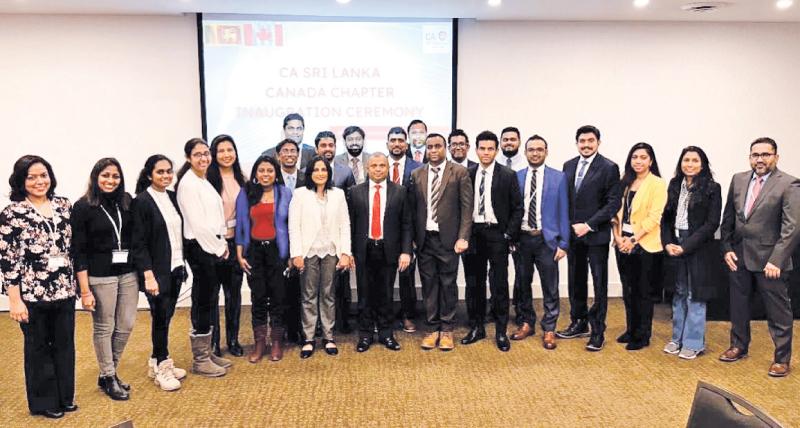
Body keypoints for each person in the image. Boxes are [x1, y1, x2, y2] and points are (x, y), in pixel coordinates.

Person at [1, 155, 77, 419]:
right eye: (31, 177)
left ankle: (65, 396)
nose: (39, 181)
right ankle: (44, 402)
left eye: (43, 175)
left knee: (65, 345)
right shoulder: (12, 213)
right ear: (21, 181)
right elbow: (8, 259)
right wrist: (14, 300)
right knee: (38, 349)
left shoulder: (64, 205)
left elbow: (73, 249)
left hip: (64, 290)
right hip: (32, 294)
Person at [720, 137, 800, 377]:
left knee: (778, 312)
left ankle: (782, 359)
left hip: (770, 261)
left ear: (776, 157)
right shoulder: (739, 179)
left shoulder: (789, 183)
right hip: (740, 256)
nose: (760, 159)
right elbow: (728, 220)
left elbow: (792, 227)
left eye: (766, 154)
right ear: (750, 157)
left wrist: (777, 259)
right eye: (755, 155)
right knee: (739, 306)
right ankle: (738, 346)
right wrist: (726, 248)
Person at [70, 158, 136, 401]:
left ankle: (109, 371)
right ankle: (109, 376)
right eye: (105, 175)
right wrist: (85, 290)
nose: (111, 180)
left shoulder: (126, 201)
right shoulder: (83, 206)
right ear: (96, 177)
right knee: (104, 327)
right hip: (99, 276)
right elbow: (78, 250)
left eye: (115, 176)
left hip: (128, 273)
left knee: (126, 324)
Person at [558, 125, 622, 352]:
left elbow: (613, 203)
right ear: (576, 143)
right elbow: (565, 199)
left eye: (590, 141)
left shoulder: (609, 167)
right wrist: (567, 228)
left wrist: (588, 225)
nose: (586, 145)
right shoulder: (568, 165)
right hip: (573, 235)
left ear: (598, 143)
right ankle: (578, 321)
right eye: (582, 141)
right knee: (575, 279)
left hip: (596, 236)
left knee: (599, 283)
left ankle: (598, 331)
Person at [410, 133, 473, 351]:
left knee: (448, 285)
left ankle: (447, 330)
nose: (434, 150)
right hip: (425, 239)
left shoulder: (459, 172)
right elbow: (412, 210)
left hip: (449, 240)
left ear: (445, 147)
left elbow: (467, 208)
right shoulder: (416, 174)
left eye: (438, 146)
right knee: (429, 285)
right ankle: (431, 328)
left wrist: (463, 237)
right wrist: (412, 240)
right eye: (430, 147)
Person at [130, 155, 187, 391]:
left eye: (168, 171)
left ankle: (156, 360)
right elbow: (139, 243)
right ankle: (163, 366)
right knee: (160, 318)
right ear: (149, 175)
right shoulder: (142, 201)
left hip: (175, 268)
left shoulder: (172, 197)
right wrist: (148, 275)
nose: (166, 176)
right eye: (160, 172)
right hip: (156, 273)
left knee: (167, 316)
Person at [461, 131, 522, 352]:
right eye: (482, 148)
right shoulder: (467, 174)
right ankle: (477, 327)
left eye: (490, 149)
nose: (485, 153)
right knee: (473, 283)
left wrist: (508, 234)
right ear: (475, 150)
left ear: (496, 150)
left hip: (497, 234)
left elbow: (517, 208)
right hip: (473, 234)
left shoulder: (508, 175)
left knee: (499, 284)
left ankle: (500, 332)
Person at [176, 138, 231, 376]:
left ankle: (207, 353)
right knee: (202, 300)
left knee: (209, 298)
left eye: (206, 154)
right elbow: (198, 226)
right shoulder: (188, 184)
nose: (203, 158)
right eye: (197, 154)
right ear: (189, 157)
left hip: (212, 246)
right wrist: (219, 248)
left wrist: (221, 244)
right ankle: (200, 360)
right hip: (200, 247)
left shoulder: (202, 180)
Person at [660, 146, 722, 360]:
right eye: (686, 160)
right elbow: (666, 217)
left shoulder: (713, 188)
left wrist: (686, 247)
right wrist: (667, 242)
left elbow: (712, 223)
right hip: (674, 242)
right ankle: (677, 338)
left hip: (697, 246)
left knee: (695, 294)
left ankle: (694, 342)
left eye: (695, 160)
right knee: (678, 292)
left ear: (702, 164)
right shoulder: (675, 184)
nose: (690, 164)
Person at [288, 156, 352, 358]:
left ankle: (328, 336)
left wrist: (345, 253)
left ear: (329, 172)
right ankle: (308, 338)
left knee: (328, 294)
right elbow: (293, 226)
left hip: (331, 252)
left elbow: (345, 225)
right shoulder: (300, 194)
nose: (320, 173)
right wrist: (296, 253)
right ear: (310, 173)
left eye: (323, 169)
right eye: (316, 170)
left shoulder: (338, 194)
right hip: (308, 252)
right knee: (308, 295)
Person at [348, 153, 413, 352]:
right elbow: (349, 224)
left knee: (386, 294)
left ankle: (386, 334)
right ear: (367, 169)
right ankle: (365, 335)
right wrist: (348, 251)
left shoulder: (400, 191)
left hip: (389, 249)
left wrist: (406, 251)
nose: (378, 169)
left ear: (387, 168)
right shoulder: (355, 191)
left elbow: (407, 224)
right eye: (374, 165)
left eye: (382, 165)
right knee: (365, 294)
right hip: (364, 249)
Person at [511, 135, 570, 350]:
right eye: (531, 150)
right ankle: (527, 322)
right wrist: (512, 237)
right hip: (523, 239)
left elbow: (564, 211)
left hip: (547, 240)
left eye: (539, 149)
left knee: (550, 287)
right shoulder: (516, 177)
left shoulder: (559, 178)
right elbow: (512, 211)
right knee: (522, 284)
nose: (535, 153)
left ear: (546, 151)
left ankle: (549, 328)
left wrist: (564, 243)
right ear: (525, 152)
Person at [235, 155, 292, 363]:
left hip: (278, 251)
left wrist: (290, 255)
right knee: (258, 297)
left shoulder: (285, 193)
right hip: (254, 252)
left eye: (269, 170)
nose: (265, 174)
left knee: (278, 297)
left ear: (276, 173)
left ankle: (276, 342)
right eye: (261, 171)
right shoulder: (246, 193)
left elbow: (291, 226)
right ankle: (260, 343)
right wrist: (240, 253)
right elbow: (241, 224)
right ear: (256, 174)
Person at [612, 142, 667, 351]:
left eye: (643, 157)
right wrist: (618, 237)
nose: (638, 161)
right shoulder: (624, 181)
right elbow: (615, 214)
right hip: (622, 242)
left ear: (651, 161)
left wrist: (632, 240)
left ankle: (642, 335)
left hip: (645, 244)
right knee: (628, 289)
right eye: (635, 157)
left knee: (643, 291)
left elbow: (655, 217)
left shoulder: (657, 184)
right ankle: (631, 329)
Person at [206, 134, 247, 357]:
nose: (226, 154)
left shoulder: (242, 178)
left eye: (229, 149)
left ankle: (233, 339)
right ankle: (214, 342)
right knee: (213, 295)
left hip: (236, 243)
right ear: (214, 154)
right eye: (221, 151)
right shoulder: (207, 180)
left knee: (234, 294)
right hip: (214, 243)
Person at [313, 130, 356, 333]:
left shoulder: (345, 172)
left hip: (338, 235)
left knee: (341, 282)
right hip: (314, 239)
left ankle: (342, 322)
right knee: (316, 286)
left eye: (331, 145)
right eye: (324, 145)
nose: (328, 149)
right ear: (316, 148)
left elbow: (352, 204)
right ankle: (318, 325)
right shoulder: (308, 171)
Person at [387, 126, 423, 333]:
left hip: (409, 230)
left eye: (401, 140)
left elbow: (421, 203)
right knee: (384, 276)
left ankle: (408, 315)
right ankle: (384, 315)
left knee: (407, 276)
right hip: (384, 230)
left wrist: (417, 236)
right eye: (393, 140)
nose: (397, 144)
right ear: (387, 144)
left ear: (407, 144)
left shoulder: (418, 167)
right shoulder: (379, 166)